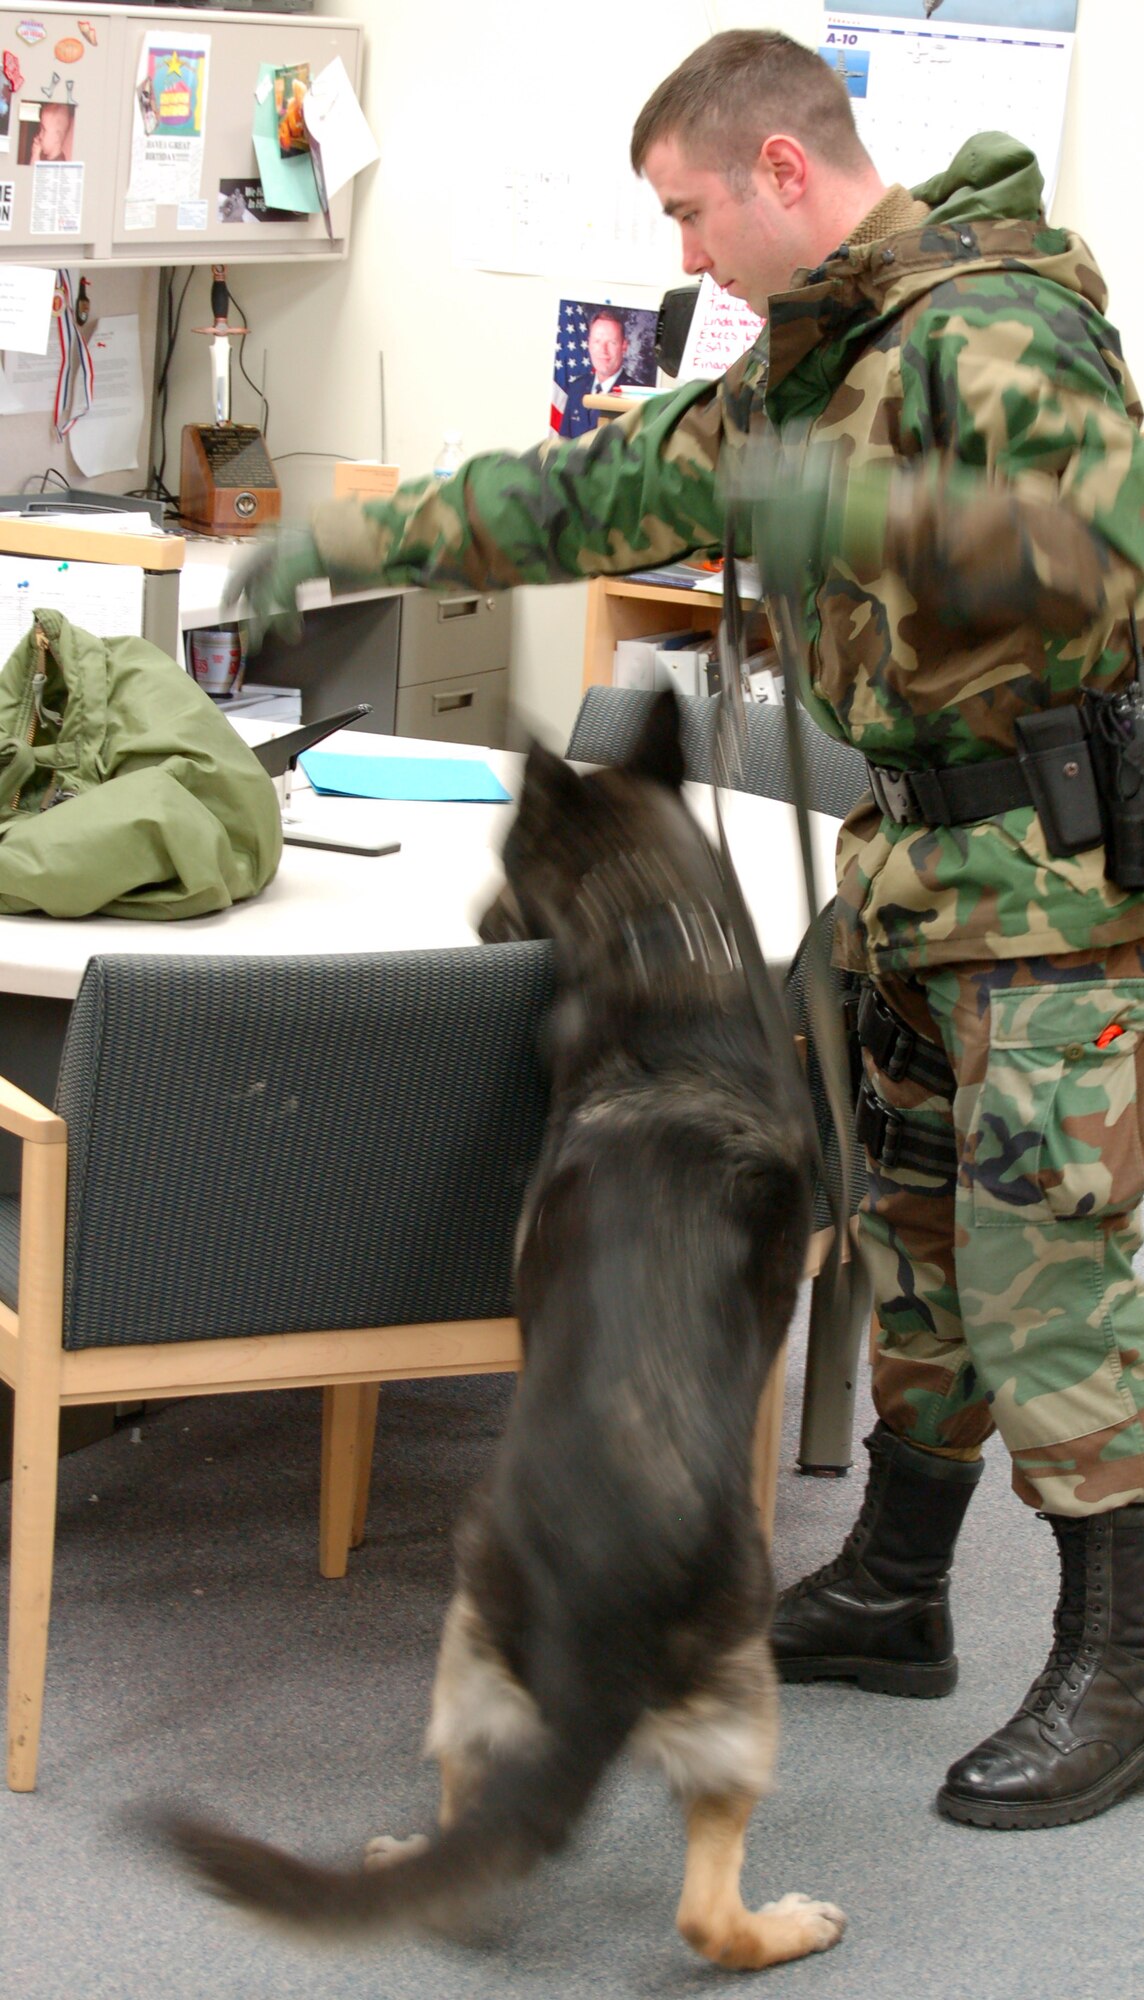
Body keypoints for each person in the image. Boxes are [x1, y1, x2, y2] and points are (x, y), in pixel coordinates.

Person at [231, 28, 1144, 1829]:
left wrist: (835, 508)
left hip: (1053, 898)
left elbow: (1091, 543)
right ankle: (892, 1589)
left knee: (1054, 1289)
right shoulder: (801, 370)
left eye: (688, 211)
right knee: (916, 1267)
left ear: (782, 175)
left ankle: (1111, 1663)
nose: (679, 255)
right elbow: (584, 491)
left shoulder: (995, 333)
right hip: (916, 884)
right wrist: (351, 528)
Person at [559, 308, 638, 439]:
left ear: (624, 346)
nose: (603, 350)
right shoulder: (576, 388)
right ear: (589, 343)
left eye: (612, 342)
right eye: (597, 341)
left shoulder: (635, 395)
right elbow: (562, 444)